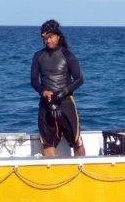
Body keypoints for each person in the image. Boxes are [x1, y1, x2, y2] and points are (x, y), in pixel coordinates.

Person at [30, 19, 85, 157]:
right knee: (47, 143)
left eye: (50, 37)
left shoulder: (68, 55)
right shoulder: (38, 56)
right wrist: (43, 91)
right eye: (45, 38)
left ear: (58, 36)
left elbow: (79, 79)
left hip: (66, 103)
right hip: (46, 103)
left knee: (76, 140)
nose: (47, 41)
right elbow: (33, 81)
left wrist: (63, 93)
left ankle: (81, 168)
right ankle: (52, 175)